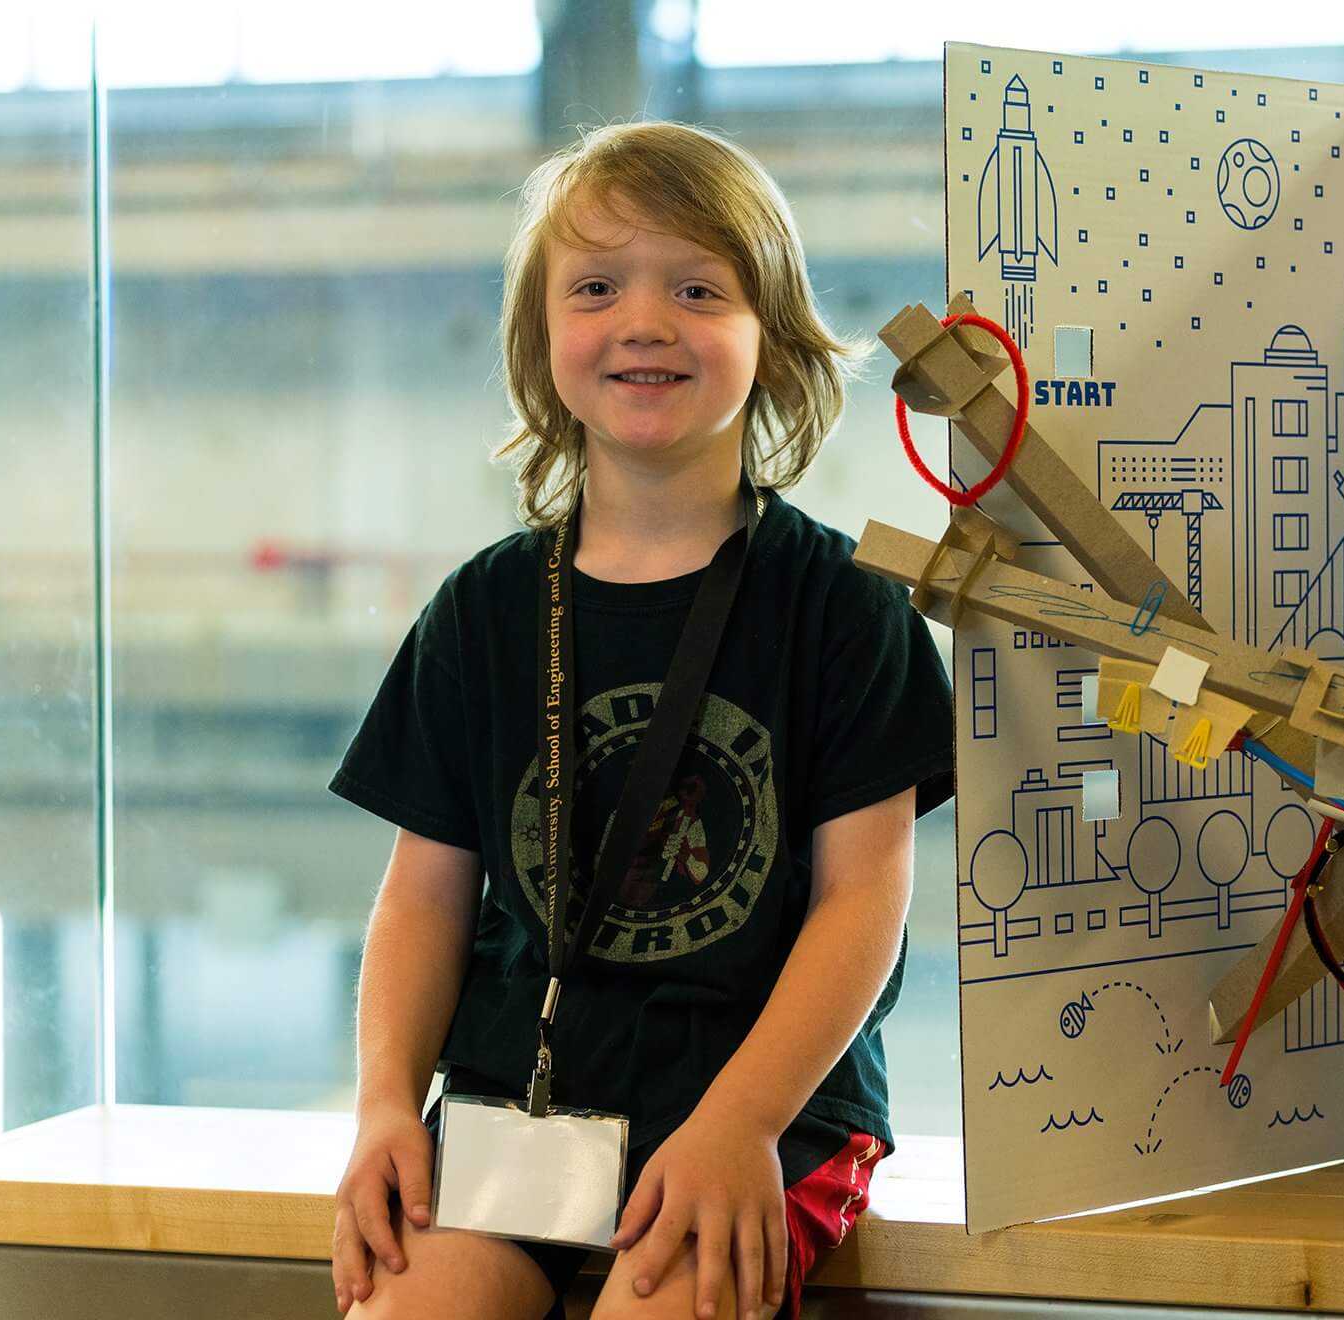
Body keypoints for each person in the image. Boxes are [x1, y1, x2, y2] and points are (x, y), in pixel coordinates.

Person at [325, 121, 954, 1320]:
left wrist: (740, 1124)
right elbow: (423, 897)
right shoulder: (484, 610)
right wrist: (382, 1109)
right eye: (597, 287)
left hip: (761, 1113)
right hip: (522, 1107)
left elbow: (863, 902)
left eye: (700, 288)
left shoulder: (844, 609)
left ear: (769, 344)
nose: (645, 320)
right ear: (540, 341)